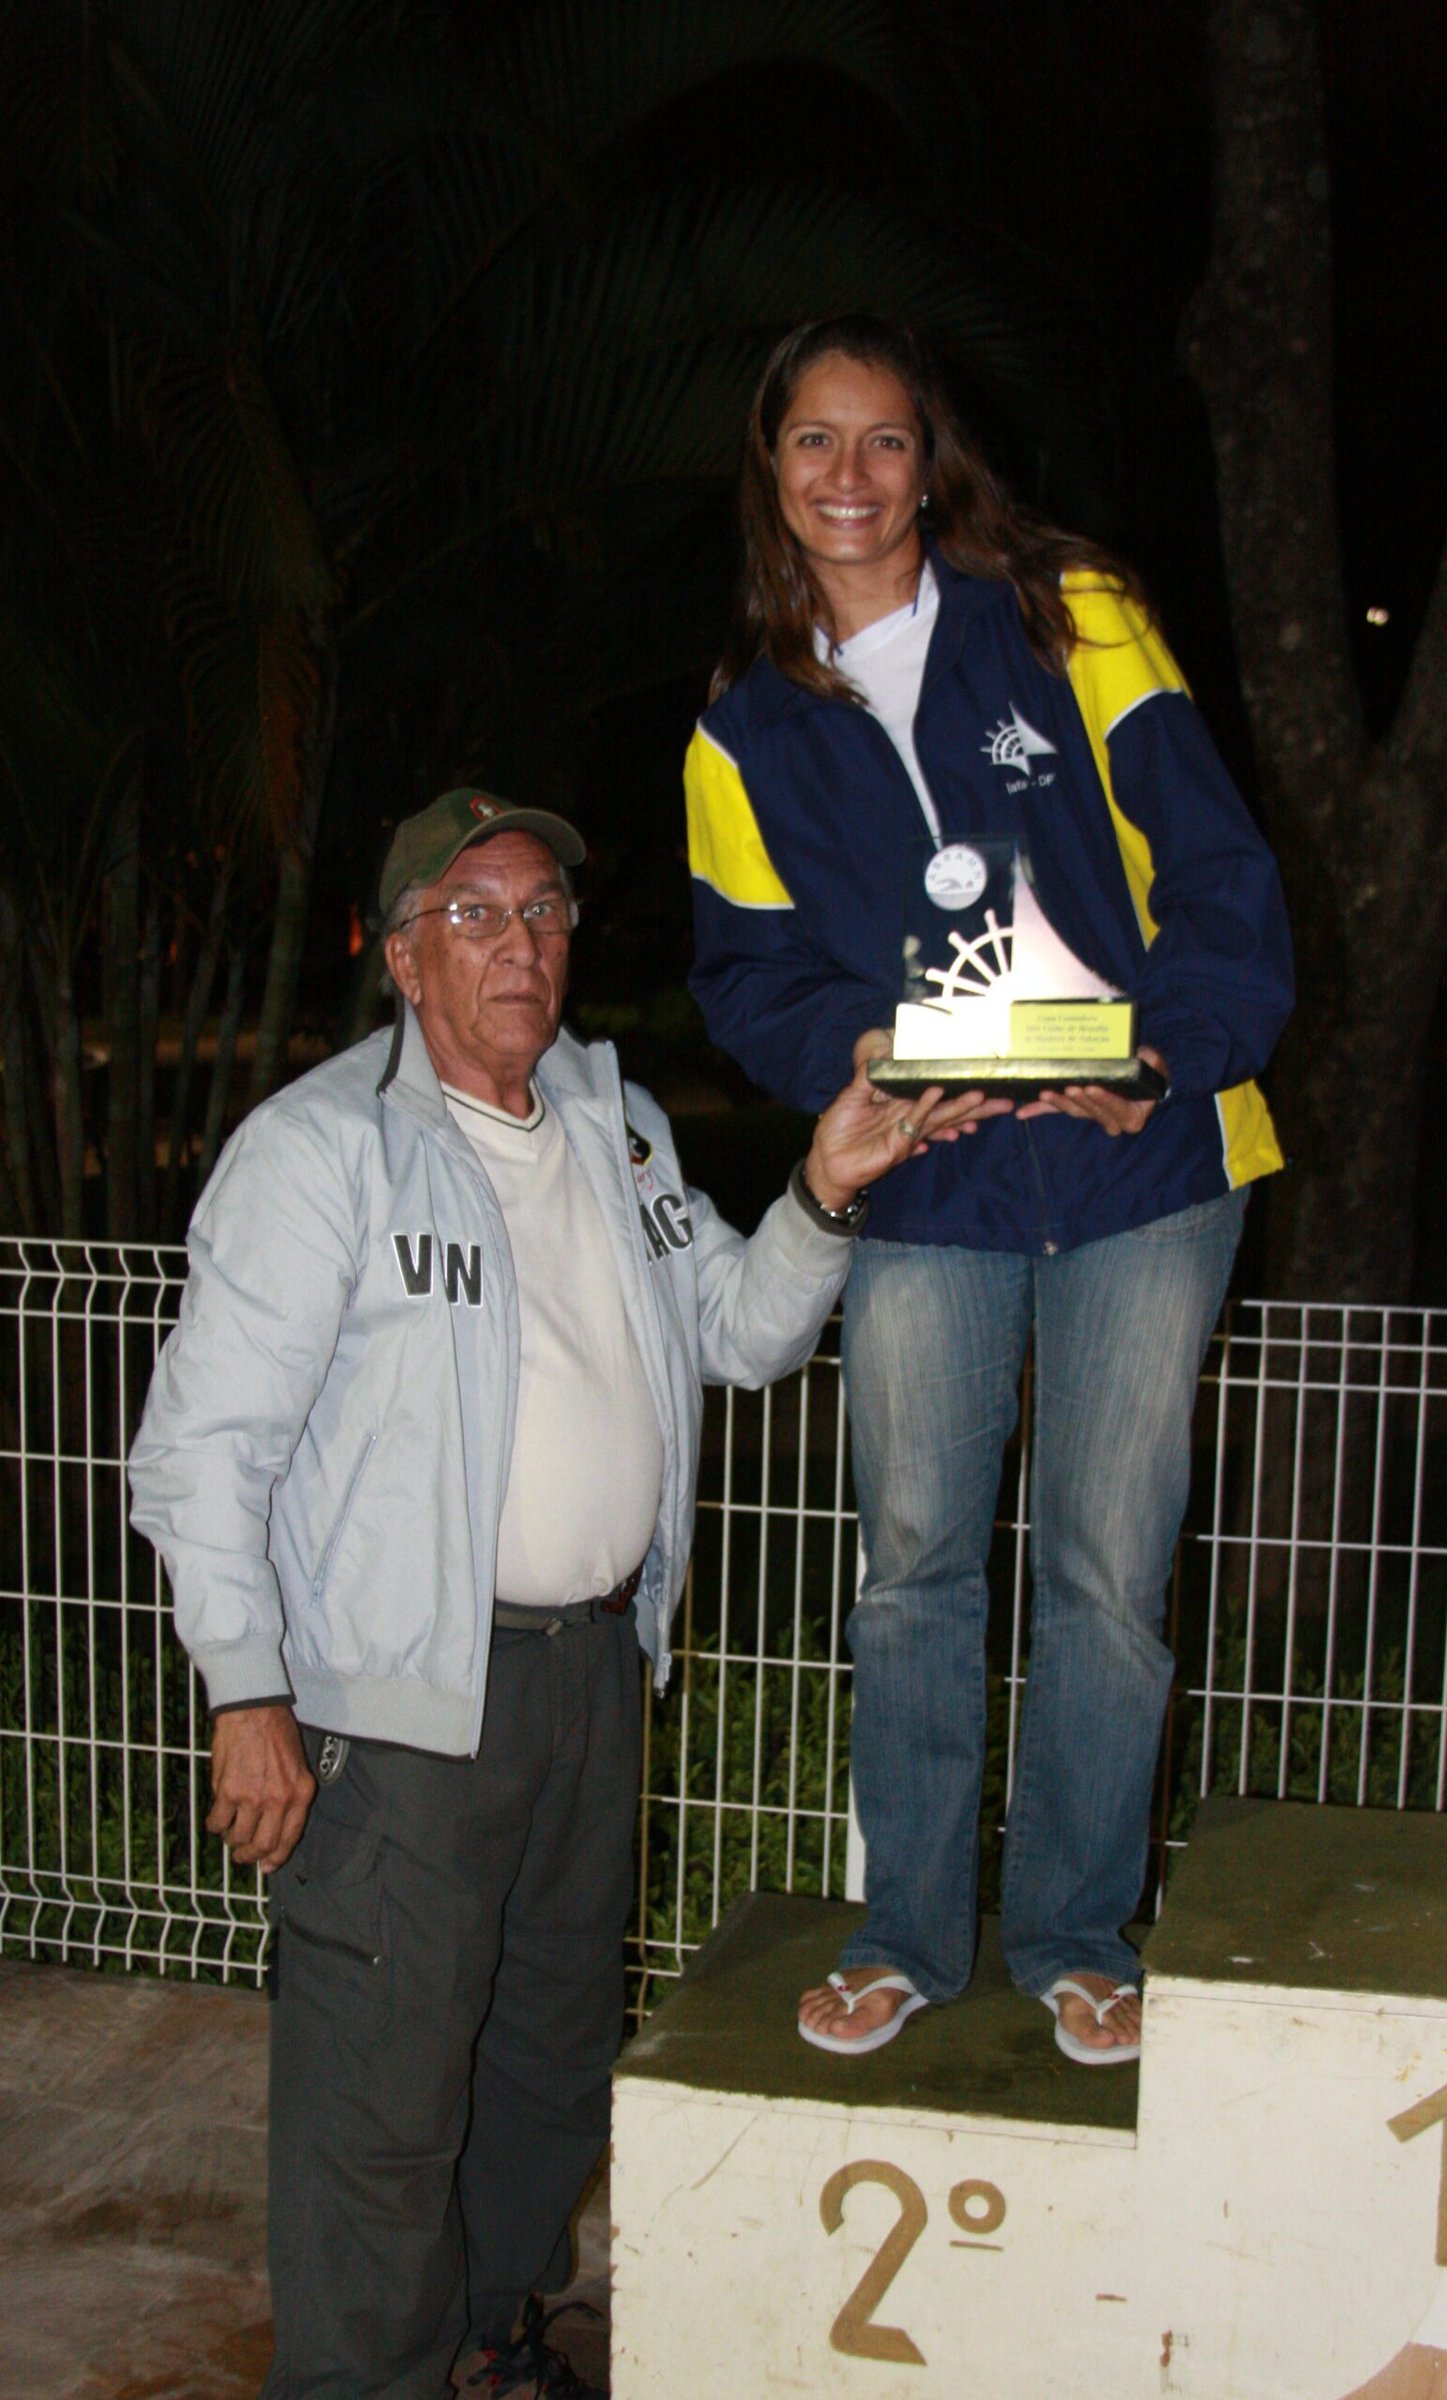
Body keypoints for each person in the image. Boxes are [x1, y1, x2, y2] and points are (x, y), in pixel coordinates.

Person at [128, 787, 990, 2399]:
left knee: (546, 2055)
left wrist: (822, 1193)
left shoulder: (617, 1123)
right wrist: (246, 1688)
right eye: (473, 914)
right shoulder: (321, 1152)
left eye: (542, 912)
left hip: (596, 1674)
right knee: (382, 2105)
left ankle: (495, 2335)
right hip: (399, 1713)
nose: (518, 945)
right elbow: (198, 1451)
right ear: (402, 957)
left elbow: (738, 1331)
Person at [685, 317, 1293, 2067]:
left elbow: (1220, 864)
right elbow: (746, 973)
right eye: (815, 441)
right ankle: (905, 1935)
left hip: (1145, 1162)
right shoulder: (738, 729)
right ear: (771, 468)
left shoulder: (1065, 612)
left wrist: (1167, 1052)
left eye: (884, 439)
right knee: (913, 1574)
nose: (850, 476)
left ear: (928, 456)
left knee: (1106, 1573)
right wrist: (865, 1057)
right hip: (932, 1188)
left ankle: (1079, 1934)